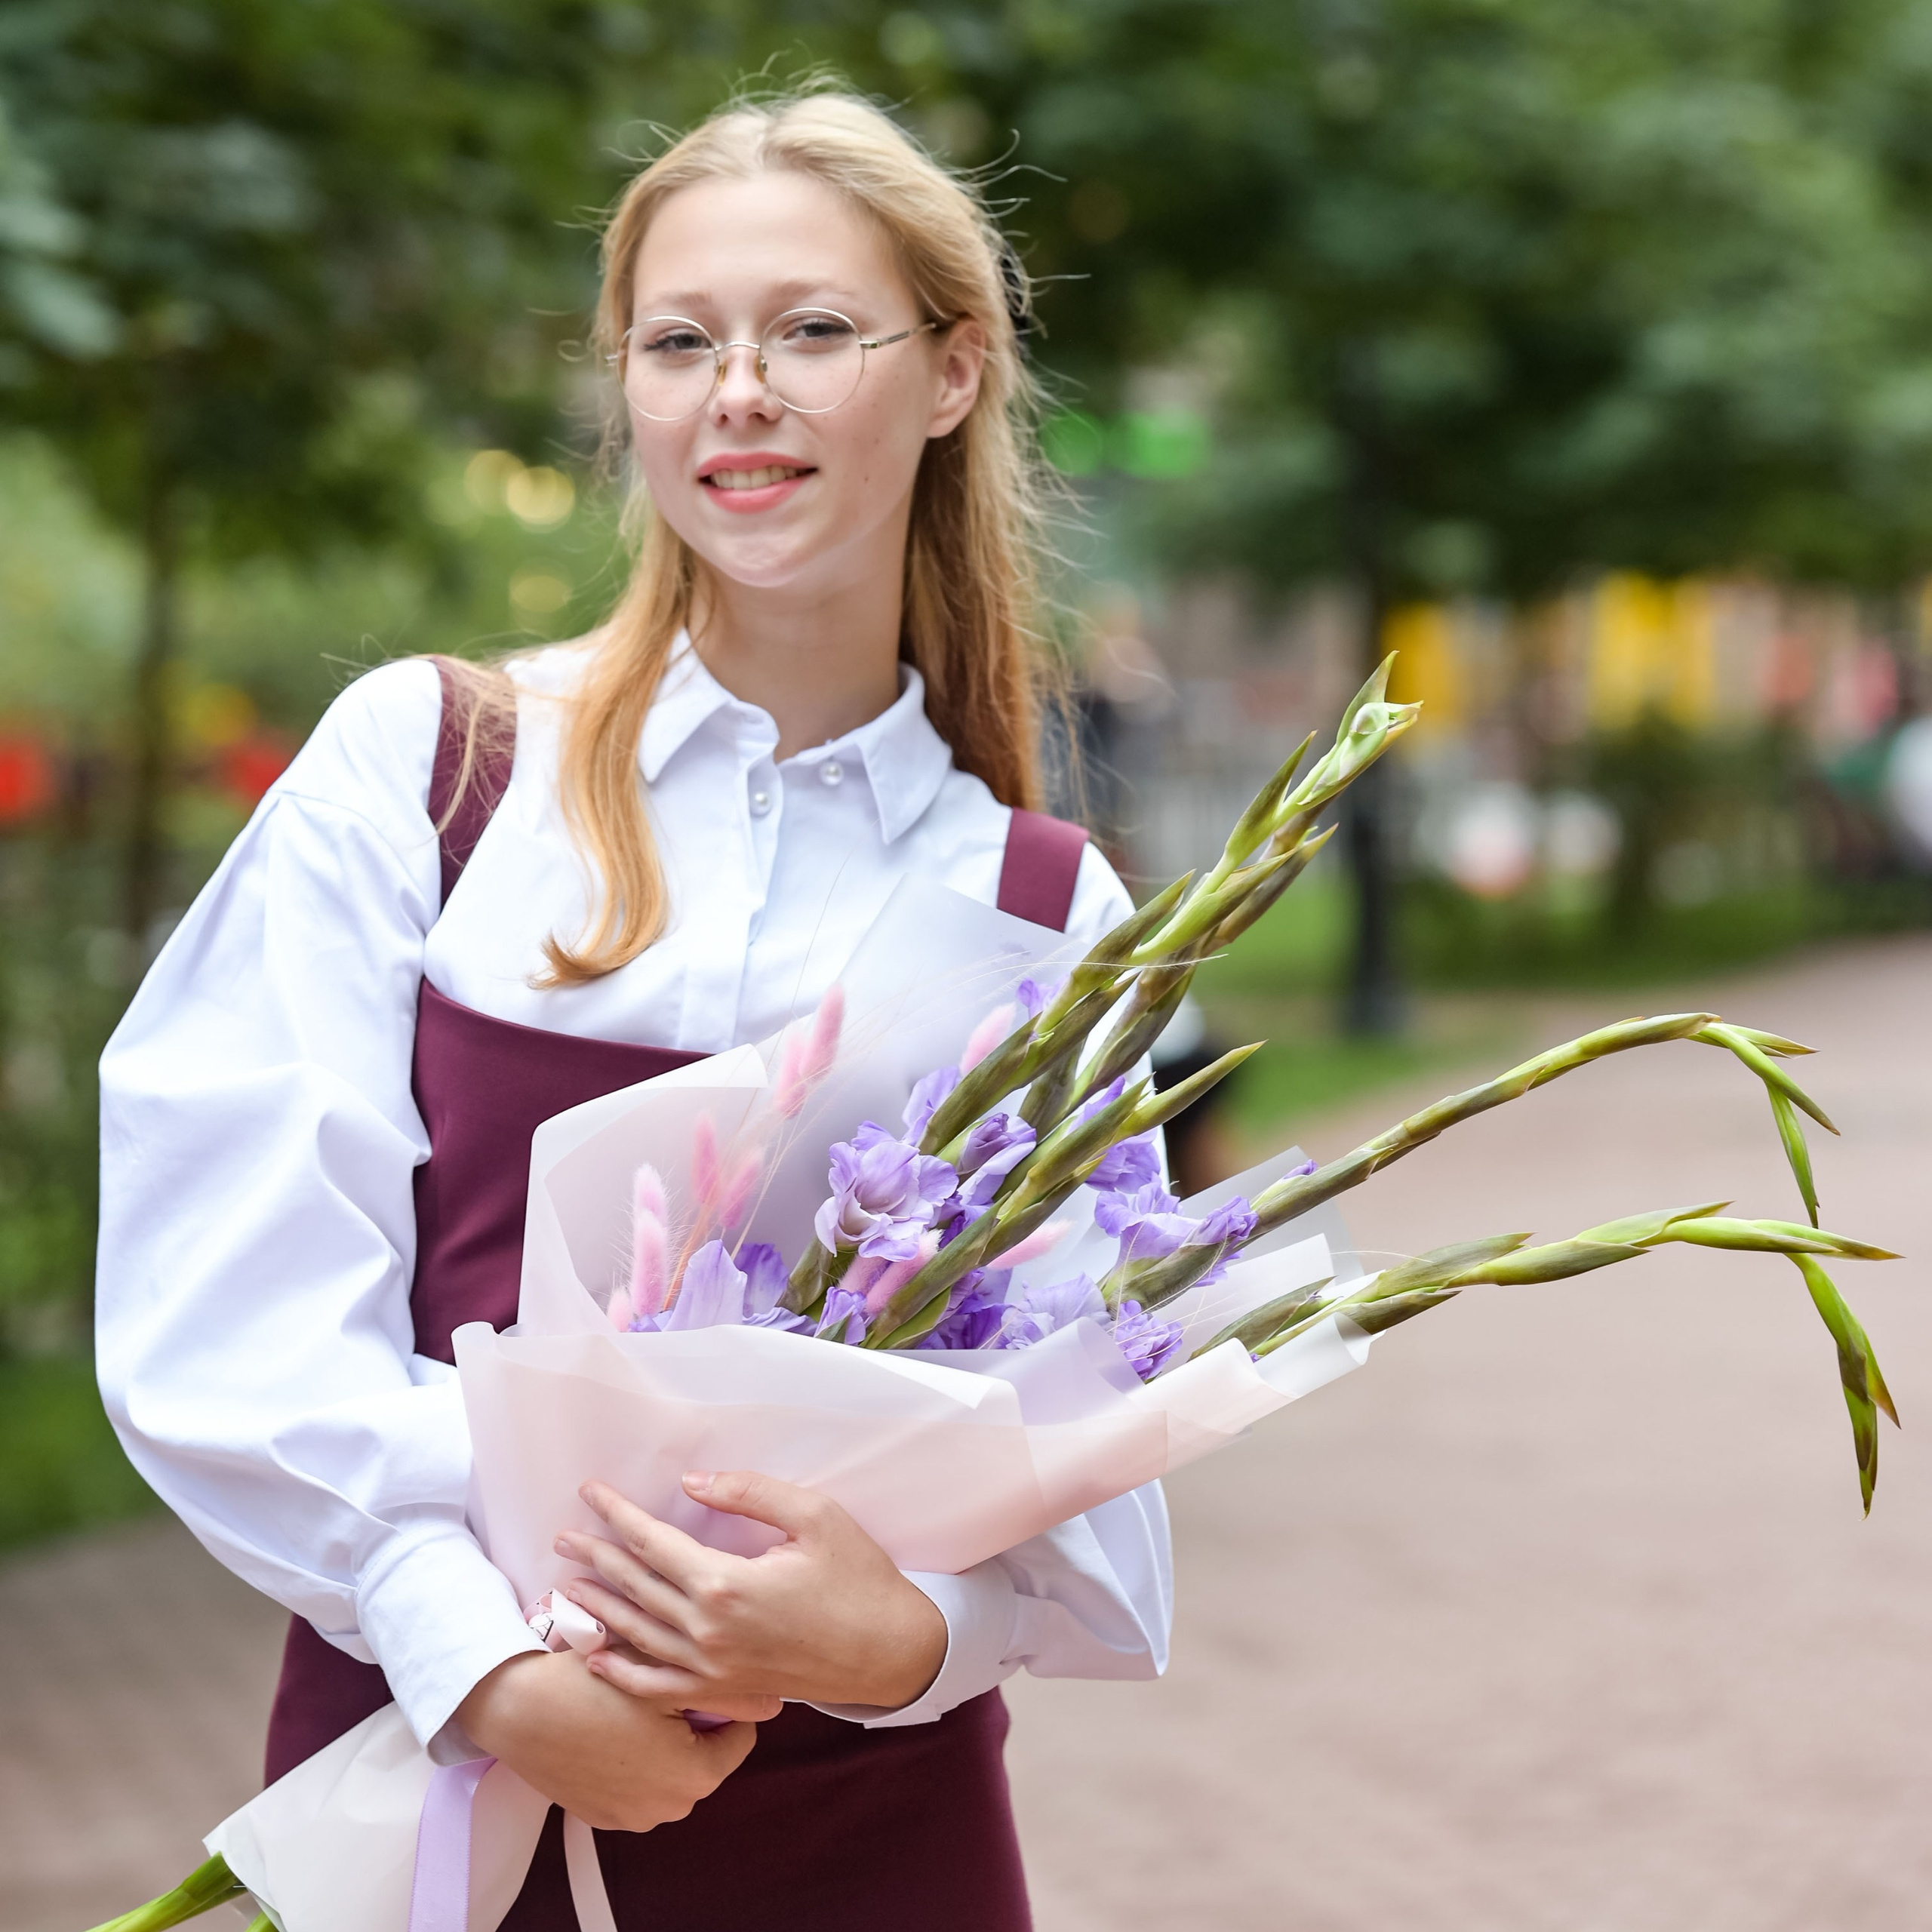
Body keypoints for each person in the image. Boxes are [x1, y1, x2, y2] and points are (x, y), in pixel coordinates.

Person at [94, 89, 1171, 1931]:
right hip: (437, 1768)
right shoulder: (434, 775)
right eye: (680, 342)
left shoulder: (1042, 909)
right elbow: (226, 1314)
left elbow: (1091, 1480)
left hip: (864, 1824)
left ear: (950, 371)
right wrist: (486, 1661)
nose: (736, 392)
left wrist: (893, 1628)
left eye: (812, 331)